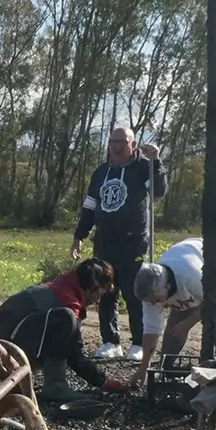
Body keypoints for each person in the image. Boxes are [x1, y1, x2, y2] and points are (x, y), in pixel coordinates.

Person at [70, 126, 168, 361]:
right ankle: (110, 342)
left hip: (133, 242)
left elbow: (160, 191)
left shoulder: (143, 168)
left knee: (135, 292)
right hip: (104, 241)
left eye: (121, 142)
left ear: (132, 145)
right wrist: (79, 236)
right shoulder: (101, 172)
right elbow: (90, 207)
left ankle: (138, 343)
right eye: (112, 141)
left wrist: (156, 162)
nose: (115, 146)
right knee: (104, 291)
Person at [0, 258, 133, 402]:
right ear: (93, 286)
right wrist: (103, 382)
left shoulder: (62, 286)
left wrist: (100, 381)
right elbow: (74, 353)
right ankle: (55, 385)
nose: (98, 300)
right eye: (101, 293)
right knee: (65, 319)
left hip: (4, 337)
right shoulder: (66, 302)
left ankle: (15, 375)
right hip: (3, 343)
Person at [132, 236, 216, 372]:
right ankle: (165, 370)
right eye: (150, 302)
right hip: (197, 276)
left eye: (158, 300)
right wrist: (143, 368)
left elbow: (215, 297)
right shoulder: (150, 290)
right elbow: (151, 329)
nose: (154, 305)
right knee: (176, 324)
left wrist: (188, 323)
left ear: (168, 286)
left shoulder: (190, 275)